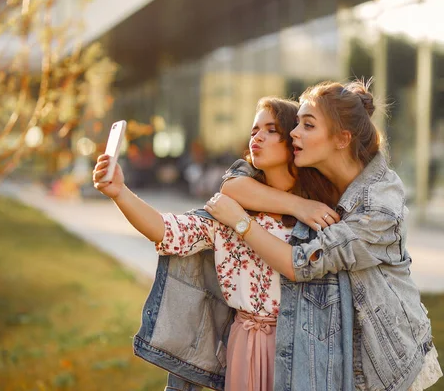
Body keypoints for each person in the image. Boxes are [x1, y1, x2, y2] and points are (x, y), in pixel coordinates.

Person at [92, 97, 351, 391]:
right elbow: (167, 231)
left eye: (271, 130)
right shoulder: (229, 212)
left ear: (294, 140)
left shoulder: (320, 211)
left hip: (303, 347)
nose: (257, 137)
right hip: (243, 343)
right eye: (254, 131)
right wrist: (119, 193)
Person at [206, 80, 443, 391]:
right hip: (331, 354)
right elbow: (235, 183)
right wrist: (298, 204)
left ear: (342, 138)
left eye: (308, 125)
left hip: (384, 361)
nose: (294, 132)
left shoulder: (379, 206)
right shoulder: (319, 172)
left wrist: (241, 223)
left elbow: (299, 264)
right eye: (297, 123)